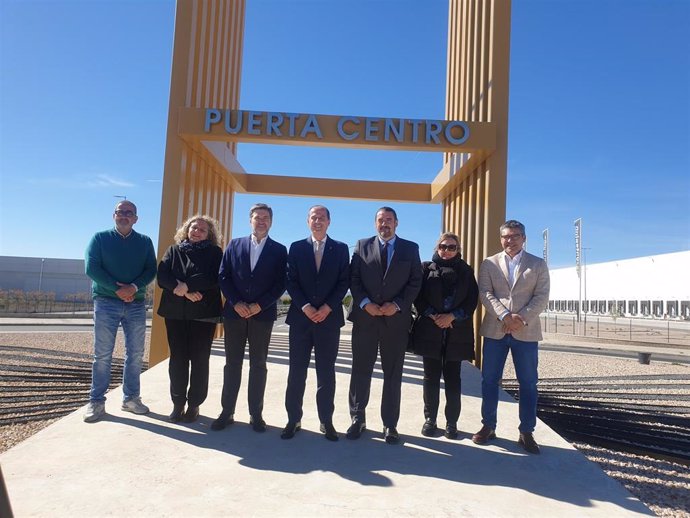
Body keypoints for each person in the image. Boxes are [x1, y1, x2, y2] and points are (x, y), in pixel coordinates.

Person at [472, 220, 550, 454]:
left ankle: (526, 431)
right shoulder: (489, 263)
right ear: (501, 238)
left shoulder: (537, 264)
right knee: (489, 381)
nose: (510, 240)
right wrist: (505, 316)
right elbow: (485, 293)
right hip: (496, 330)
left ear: (524, 238)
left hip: (525, 331)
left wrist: (519, 319)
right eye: (506, 236)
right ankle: (488, 426)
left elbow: (542, 296)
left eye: (515, 236)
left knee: (527, 383)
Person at [347, 206, 422, 444]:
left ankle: (390, 424)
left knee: (392, 374)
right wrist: (365, 303)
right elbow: (354, 279)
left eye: (389, 220)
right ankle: (357, 419)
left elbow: (415, 282)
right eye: (380, 220)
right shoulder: (361, 245)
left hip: (395, 321)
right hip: (365, 319)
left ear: (396, 223)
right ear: (375, 223)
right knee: (360, 371)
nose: (384, 224)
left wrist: (398, 305)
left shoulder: (410, 248)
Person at [212, 203, 287, 432]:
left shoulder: (279, 250)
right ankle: (227, 411)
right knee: (232, 364)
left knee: (259, 364)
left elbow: (281, 283)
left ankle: (256, 414)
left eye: (265, 217)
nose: (261, 221)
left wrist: (259, 305)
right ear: (250, 220)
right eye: (257, 217)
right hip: (235, 314)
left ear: (271, 221)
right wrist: (237, 303)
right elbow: (223, 276)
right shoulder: (234, 245)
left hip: (262, 316)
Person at [83, 200, 156, 423]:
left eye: (129, 213)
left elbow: (151, 269)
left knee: (135, 354)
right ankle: (96, 401)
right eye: (120, 212)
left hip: (135, 302)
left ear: (136, 218)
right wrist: (118, 289)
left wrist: (132, 288)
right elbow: (91, 267)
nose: (124, 215)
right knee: (102, 354)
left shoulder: (144, 242)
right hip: (106, 301)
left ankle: (131, 398)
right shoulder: (100, 238)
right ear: (113, 215)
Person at [281, 206, 350, 442]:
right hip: (301, 319)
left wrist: (327, 307)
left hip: (328, 321)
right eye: (314, 217)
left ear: (329, 222)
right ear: (307, 221)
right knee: (296, 372)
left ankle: (326, 421)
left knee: (326, 373)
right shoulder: (297, 247)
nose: (318, 221)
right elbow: (291, 280)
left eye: (322, 218)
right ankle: (293, 419)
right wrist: (306, 307)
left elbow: (344, 282)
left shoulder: (340, 249)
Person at [410, 232, 478, 439]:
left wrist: (451, 317)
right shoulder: (425, 268)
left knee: (453, 379)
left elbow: (471, 301)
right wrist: (434, 316)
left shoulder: (466, 271)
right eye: (443, 246)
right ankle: (430, 419)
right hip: (430, 330)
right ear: (436, 248)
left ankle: (452, 422)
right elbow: (417, 297)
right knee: (430, 378)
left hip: (456, 332)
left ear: (458, 250)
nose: (446, 250)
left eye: (452, 247)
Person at [156, 215, 223, 423]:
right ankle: (177, 404)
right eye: (194, 227)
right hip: (175, 313)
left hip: (203, 314)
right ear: (187, 229)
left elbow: (213, 276)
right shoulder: (173, 250)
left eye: (202, 230)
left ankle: (194, 405)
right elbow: (162, 276)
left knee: (200, 360)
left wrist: (187, 285)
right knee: (178, 359)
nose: (197, 231)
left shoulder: (215, 252)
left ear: (208, 234)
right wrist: (184, 291)